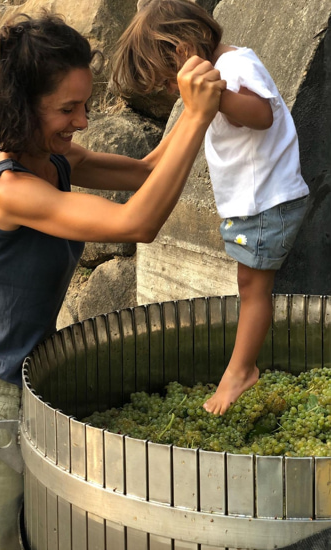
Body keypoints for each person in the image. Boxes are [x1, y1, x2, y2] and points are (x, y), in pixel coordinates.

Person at [0, 10, 224, 550]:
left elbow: (150, 170)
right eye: (68, 108)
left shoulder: (58, 162)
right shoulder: (7, 191)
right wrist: (199, 117)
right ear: (20, 106)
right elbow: (137, 223)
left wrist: (190, 101)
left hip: (28, 391)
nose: (82, 121)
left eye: (85, 105)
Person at [111, 0, 310, 415]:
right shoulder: (213, 78)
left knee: (254, 289)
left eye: (168, 79)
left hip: (266, 203)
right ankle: (240, 367)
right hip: (253, 205)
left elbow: (262, 115)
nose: (173, 91)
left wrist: (215, 98)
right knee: (249, 286)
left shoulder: (236, 66)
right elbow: (158, 159)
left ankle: (241, 371)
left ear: (185, 47)